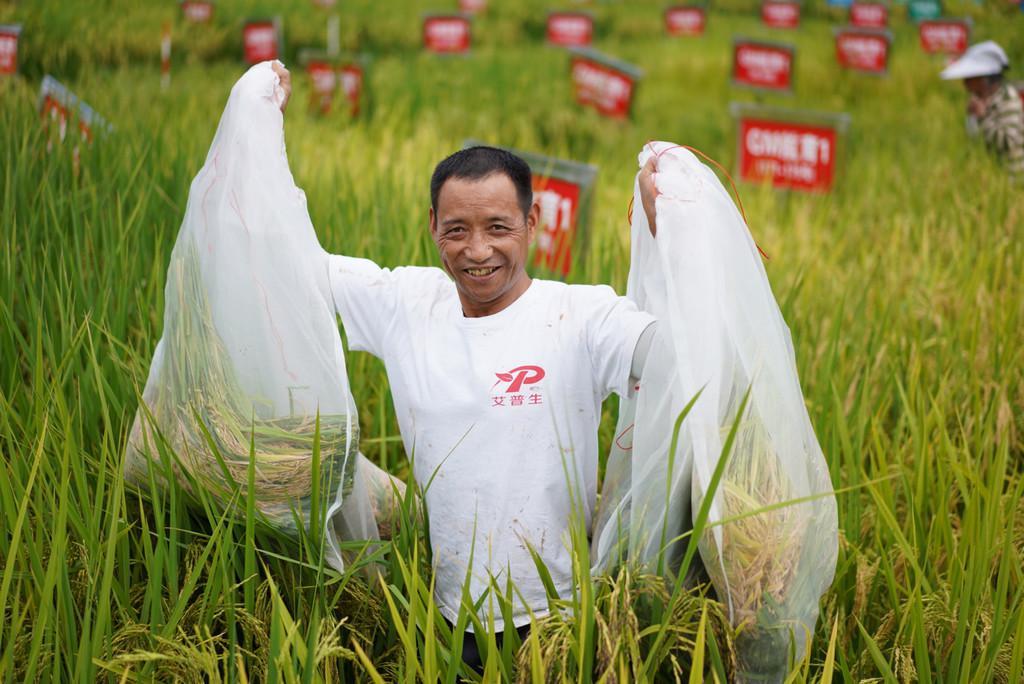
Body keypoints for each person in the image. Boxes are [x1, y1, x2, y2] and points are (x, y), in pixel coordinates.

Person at [271, 63, 662, 669]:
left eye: (498, 228)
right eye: (457, 230)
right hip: (450, 619)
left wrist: (675, 234)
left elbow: (673, 355)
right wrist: (261, 128)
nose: (477, 251)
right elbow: (289, 262)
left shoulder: (581, 315)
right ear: (432, 228)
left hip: (560, 621)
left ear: (533, 224)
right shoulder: (407, 304)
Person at [940, 40, 1024, 180]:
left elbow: (1007, 143)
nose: (965, 83)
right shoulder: (982, 100)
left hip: (1013, 179)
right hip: (992, 176)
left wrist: (983, 117)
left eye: (970, 78)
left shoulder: (1007, 100)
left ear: (985, 79)